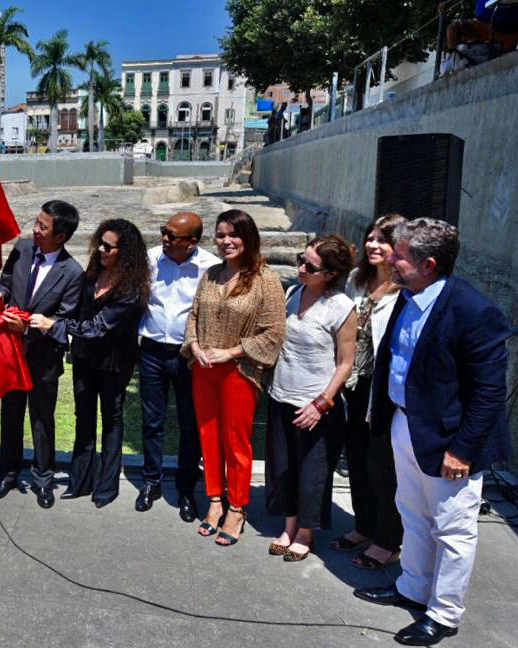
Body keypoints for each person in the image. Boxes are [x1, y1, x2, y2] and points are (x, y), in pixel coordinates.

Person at [354, 218, 511, 647]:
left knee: (453, 529)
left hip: (449, 441)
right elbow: (394, 359)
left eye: (400, 255)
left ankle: (443, 613)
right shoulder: (410, 295)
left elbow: (489, 393)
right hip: (406, 424)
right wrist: (382, 412)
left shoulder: (475, 313)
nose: (391, 259)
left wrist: (462, 451)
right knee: (411, 511)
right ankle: (412, 587)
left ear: (429, 263)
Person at [181, 209, 286, 547]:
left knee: (236, 442)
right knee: (207, 437)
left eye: (233, 235)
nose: (226, 241)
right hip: (204, 369)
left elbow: (273, 332)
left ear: (248, 237)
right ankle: (214, 500)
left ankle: (238, 507)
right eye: (221, 234)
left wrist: (231, 352)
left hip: (239, 371)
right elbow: (194, 315)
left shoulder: (264, 279)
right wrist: (194, 344)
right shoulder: (210, 274)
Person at [29, 218, 149, 509]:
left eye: (109, 247)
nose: (102, 250)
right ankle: (80, 481)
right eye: (101, 244)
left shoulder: (131, 289)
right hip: (84, 357)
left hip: (114, 361)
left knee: (112, 419)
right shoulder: (92, 274)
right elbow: (78, 314)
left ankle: (106, 486)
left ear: (127, 252)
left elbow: (96, 326)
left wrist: (53, 325)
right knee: (84, 417)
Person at [265, 235, 357, 561]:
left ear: (330, 273)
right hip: (281, 395)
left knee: (312, 472)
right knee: (283, 467)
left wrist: (322, 403)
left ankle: (306, 532)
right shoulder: (294, 292)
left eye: (309, 266)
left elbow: (345, 363)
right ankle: (290, 525)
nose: (300, 268)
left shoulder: (342, 308)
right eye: (299, 260)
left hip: (315, 405)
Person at [0, 200, 84, 509]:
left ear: (62, 236)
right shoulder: (22, 248)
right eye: (36, 222)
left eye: (43, 227)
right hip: (11, 352)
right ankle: (7, 471)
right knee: (10, 413)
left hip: (44, 358)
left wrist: (29, 329)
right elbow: (6, 283)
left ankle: (43, 479)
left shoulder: (72, 272)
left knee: (42, 418)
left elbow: (66, 321)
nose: (35, 230)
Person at [333, 214, 405, 570]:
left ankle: (389, 540)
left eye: (384, 240)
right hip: (353, 384)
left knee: (383, 466)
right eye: (371, 238)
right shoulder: (356, 281)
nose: (374, 245)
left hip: (384, 390)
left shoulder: (406, 291)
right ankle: (364, 525)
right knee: (357, 459)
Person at [136, 211, 217, 519]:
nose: (165, 239)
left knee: (189, 424)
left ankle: (186, 489)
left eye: (172, 236)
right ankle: (151, 481)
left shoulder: (209, 268)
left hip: (188, 356)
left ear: (192, 242)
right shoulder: (152, 258)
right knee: (151, 421)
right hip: (153, 351)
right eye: (164, 232)